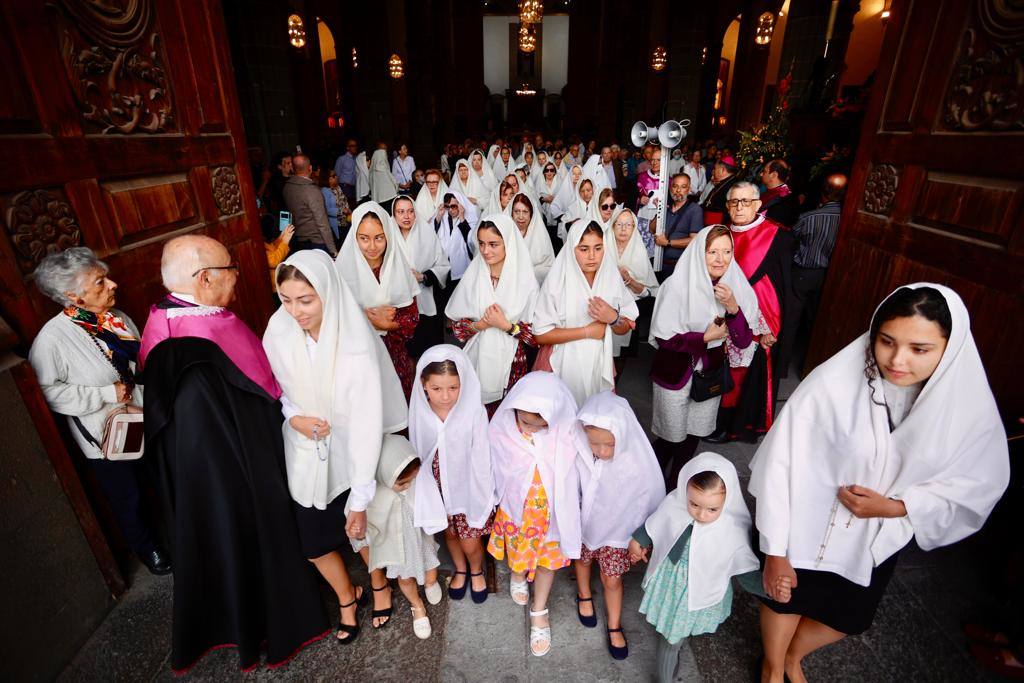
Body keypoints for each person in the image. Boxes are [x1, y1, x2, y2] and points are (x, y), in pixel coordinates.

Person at [749, 284, 1010, 683]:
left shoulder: (966, 407)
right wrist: (776, 548)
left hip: (873, 537)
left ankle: (792, 656)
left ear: (949, 349)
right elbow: (780, 464)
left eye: (920, 349)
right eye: (886, 341)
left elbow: (978, 482)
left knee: (847, 616)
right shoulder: (831, 384)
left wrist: (897, 507)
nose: (897, 360)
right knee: (787, 598)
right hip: (803, 523)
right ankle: (772, 667)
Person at [140, 235, 328, 672]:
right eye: (231, 269)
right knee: (251, 537)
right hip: (234, 469)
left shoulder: (167, 318)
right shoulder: (199, 337)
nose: (238, 277)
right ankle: (272, 618)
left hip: (209, 467)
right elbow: (247, 404)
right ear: (205, 279)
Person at [264, 250, 408, 644]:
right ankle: (347, 597)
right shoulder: (278, 330)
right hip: (305, 448)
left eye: (306, 300)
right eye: (286, 299)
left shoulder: (355, 343)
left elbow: (365, 422)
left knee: (359, 530)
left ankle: (378, 583)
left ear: (328, 293)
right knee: (313, 541)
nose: (295, 311)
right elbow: (283, 388)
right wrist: (294, 416)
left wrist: (360, 495)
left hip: (350, 451)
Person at [29, 248, 171, 576]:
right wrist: (105, 394)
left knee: (163, 476)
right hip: (107, 436)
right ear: (72, 296)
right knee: (128, 497)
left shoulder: (116, 318)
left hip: (144, 417)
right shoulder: (52, 341)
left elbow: (141, 360)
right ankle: (148, 547)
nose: (112, 284)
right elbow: (48, 392)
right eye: (99, 282)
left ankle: (182, 531)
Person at [629, 453, 769, 683]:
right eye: (694, 504)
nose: (701, 515)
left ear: (728, 501)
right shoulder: (675, 504)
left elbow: (743, 567)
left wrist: (769, 589)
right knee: (671, 639)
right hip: (671, 582)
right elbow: (658, 522)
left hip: (699, 588)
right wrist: (639, 540)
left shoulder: (731, 528)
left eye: (712, 509)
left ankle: (672, 651)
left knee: (673, 636)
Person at [649, 225, 759, 487]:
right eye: (712, 252)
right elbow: (665, 340)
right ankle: (648, 485)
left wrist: (733, 308)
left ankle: (676, 490)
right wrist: (703, 339)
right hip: (674, 374)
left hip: (709, 375)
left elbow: (743, 341)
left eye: (727, 251)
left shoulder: (734, 288)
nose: (721, 259)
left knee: (691, 438)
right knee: (669, 438)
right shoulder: (676, 287)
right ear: (700, 252)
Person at [488, 371, 581, 657]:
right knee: (518, 552)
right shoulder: (503, 430)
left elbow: (574, 474)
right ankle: (517, 574)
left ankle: (539, 609)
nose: (529, 429)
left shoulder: (565, 435)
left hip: (552, 518)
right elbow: (494, 467)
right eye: (524, 422)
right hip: (519, 514)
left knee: (547, 563)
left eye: (538, 426)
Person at [574, 392, 665, 660]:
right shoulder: (579, 451)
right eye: (594, 443)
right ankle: (584, 595)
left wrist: (642, 538)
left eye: (609, 445)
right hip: (583, 527)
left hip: (616, 533)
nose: (601, 451)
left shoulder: (636, 461)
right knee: (582, 561)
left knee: (612, 580)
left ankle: (614, 624)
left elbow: (648, 496)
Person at [706, 181, 792, 444]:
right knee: (715, 369)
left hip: (756, 321)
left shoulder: (776, 236)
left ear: (757, 204)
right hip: (719, 314)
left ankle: (730, 427)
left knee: (740, 376)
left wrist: (771, 328)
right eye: (734, 202)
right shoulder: (720, 233)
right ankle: (710, 419)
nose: (739, 207)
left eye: (746, 202)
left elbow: (778, 287)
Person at [410, 346, 496, 603]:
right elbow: (419, 449)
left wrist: (482, 493)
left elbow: (481, 456)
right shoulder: (420, 411)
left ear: (463, 383)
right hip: (436, 486)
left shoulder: (473, 411)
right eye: (436, 389)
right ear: (424, 385)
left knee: (470, 538)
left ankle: (476, 570)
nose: (445, 397)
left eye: (453, 388)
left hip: (465, 487)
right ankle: (460, 568)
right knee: (449, 533)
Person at [534, 221, 638, 406]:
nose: (592, 256)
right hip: (560, 362)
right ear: (572, 249)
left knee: (592, 421)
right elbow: (541, 334)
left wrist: (613, 318)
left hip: (597, 363)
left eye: (598, 248)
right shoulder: (557, 281)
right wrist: (587, 332)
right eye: (583, 249)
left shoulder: (610, 276)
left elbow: (624, 329)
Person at [350, 434, 443, 638]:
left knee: (430, 565)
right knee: (406, 578)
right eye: (402, 483)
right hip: (398, 548)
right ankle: (417, 606)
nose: (409, 486)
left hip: (419, 538)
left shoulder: (416, 481)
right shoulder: (375, 496)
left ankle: (430, 582)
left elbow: (429, 503)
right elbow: (361, 523)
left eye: (412, 480)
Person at [446, 215, 539, 413]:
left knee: (507, 417)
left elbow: (535, 336)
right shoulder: (474, 275)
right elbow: (458, 331)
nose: (486, 251)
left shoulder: (524, 280)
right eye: (481, 244)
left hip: (512, 364)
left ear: (508, 243)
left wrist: (507, 325)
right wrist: (480, 325)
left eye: (493, 244)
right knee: (478, 417)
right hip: (477, 359)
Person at [336, 202, 421, 399]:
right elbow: (334, 319)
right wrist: (366, 317)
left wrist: (386, 324)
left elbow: (412, 319)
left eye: (379, 238)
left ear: (388, 236)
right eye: (364, 239)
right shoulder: (341, 272)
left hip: (395, 359)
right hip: (359, 361)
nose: (372, 246)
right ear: (354, 238)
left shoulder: (398, 268)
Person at [784, 174, 846, 374]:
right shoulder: (847, 220)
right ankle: (811, 368)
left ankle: (781, 367)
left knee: (791, 320)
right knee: (816, 321)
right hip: (827, 275)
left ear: (823, 194)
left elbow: (789, 240)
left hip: (803, 273)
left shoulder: (809, 218)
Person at [391, 196, 450, 355]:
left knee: (426, 350)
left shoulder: (427, 233)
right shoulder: (388, 237)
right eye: (401, 212)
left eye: (410, 211)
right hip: (397, 304)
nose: (406, 216)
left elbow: (443, 265)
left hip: (424, 302)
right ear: (394, 214)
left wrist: (423, 277)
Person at [610, 209, 658, 363]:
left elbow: (648, 293)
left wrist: (629, 280)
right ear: (612, 226)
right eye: (619, 224)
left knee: (620, 359)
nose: (623, 229)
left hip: (630, 309)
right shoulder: (602, 246)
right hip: (604, 305)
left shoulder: (639, 251)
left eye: (628, 225)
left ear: (634, 228)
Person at [282, 154, 336, 257]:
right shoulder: (312, 190)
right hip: (317, 242)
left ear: (293, 168)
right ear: (310, 168)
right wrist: (333, 250)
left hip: (299, 241)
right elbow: (322, 223)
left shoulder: (287, 187)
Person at [652, 174, 703, 278]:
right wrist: (659, 212)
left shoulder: (695, 210)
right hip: (659, 264)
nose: (678, 190)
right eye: (675, 186)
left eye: (683, 187)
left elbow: (695, 240)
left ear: (689, 189)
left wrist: (668, 243)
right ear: (671, 188)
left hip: (679, 267)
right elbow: (652, 229)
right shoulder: (666, 206)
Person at [510, 192, 556, 284]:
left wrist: (527, 273)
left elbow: (550, 269)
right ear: (511, 213)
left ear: (531, 215)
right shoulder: (504, 235)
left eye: (525, 212)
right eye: (517, 211)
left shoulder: (541, 237)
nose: (521, 216)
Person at [434, 191, 476, 290]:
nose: (450, 210)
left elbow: (472, 241)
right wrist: (439, 216)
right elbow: (431, 235)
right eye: (447, 207)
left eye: (454, 206)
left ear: (461, 204)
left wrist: (462, 217)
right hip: (445, 267)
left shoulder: (471, 218)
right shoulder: (443, 216)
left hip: (463, 267)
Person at [759, 159, 800, 228]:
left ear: (774, 175)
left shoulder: (785, 200)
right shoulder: (774, 193)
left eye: (764, 171)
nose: (761, 174)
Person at [700, 158, 741, 225]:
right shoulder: (723, 182)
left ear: (722, 170)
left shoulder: (734, 187)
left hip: (717, 224)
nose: (713, 171)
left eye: (715, 168)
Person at [320, 168, 351, 248]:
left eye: (336, 175)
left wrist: (348, 210)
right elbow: (327, 209)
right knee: (339, 245)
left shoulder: (338, 188)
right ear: (327, 179)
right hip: (336, 224)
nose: (336, 177)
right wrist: (342, 211)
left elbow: (344, 201)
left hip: (345, 221)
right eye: (333, 176)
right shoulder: (325, 191)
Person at [334, 139, 359, 206]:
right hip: (344, 187)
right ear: (348, 147)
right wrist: (337, 191)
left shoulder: (357, 159)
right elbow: (336, 175)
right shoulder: (341, 159)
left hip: (354, 188)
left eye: (356, 145)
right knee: (345, 209)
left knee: (353, 209)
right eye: (352, 146)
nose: (355, 147)